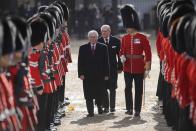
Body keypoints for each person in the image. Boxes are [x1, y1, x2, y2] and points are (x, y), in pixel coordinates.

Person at [120, 5, 152, 117]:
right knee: (127, 88)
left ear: (133, 26)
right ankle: (129, 108)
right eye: (127, 27)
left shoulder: (142, 37)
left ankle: (137, 110)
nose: (127, 29)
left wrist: (147, 68)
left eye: (129, 27)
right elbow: (121, 51)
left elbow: (148, 53)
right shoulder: (124, 38)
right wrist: (122, 57)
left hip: (139, 67)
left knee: (139, 90)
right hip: (127, 67)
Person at [78, 30, 109, 117]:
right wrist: (80, 74)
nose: (92, 38)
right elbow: (80, 62)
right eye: (91, 37)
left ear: (97, 37)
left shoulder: (103, 47)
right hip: (87, 76)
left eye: (94, 37)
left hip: (100, 75)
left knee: (99, 92)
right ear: (88, 38)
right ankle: (90, 112)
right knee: (88, 94)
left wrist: (106, 74)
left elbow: (106, 62)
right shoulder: (83, 48)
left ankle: (99, 107)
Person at [98, 25, 122, 113]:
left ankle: (112, 107)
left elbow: (120, 55)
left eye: (106, 31)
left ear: (109, 31)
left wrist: (120, 67)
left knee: (112, 88)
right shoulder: (98, 41)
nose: (104, 33)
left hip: (113, 68)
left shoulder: (116, 41)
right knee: (103, 88)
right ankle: (106, 107)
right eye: (102, 31)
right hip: (102, 69)